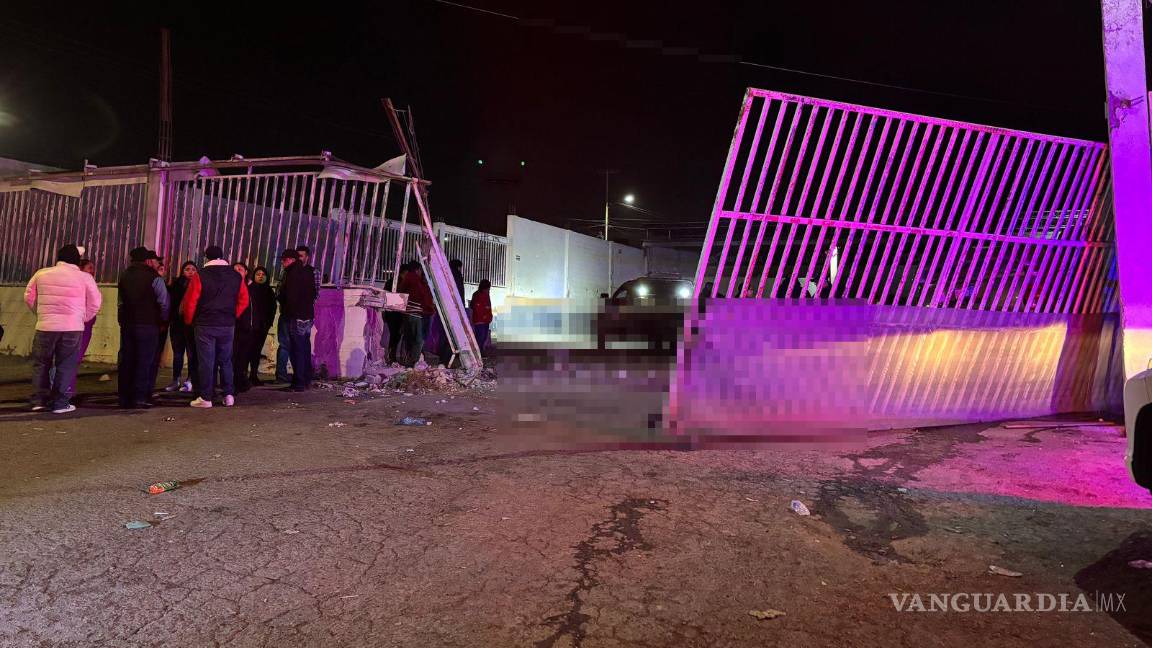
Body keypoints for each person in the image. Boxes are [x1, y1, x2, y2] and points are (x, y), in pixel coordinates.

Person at [24, 244, 102, 413]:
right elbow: (95, 303)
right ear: (76, 260)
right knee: (66, 365)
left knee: (41, 364)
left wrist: (41, 314)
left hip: (45, 326)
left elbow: (29, 296)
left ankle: (39, 401)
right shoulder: (85, 278)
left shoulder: (41, 273)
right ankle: (60, 403)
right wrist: (82, 318)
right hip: (73, 327)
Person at [182, 245, 248, 408]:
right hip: (227, 325)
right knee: (226, 360)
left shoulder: (200, 275)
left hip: (205, 324)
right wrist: (232, 316)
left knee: (206, 361)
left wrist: (190, 321)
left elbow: (191, 302)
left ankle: (206, 397)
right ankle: (228, 395)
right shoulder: (235, 276)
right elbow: (244, 300)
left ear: (206, 258)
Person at [116, 247, 169, 409]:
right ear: (147, 261)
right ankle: (140, 397)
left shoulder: (124, 276)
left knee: (127, 360)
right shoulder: (154, 277)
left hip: (128, 325)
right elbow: (164, 303)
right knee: (145, 361)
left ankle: (125, 397)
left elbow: (120, 303)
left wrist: (122, 320)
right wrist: (162, 322)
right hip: (148, 325)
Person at [276, 244, 318, 383]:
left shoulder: (292, 273)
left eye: (284, 260)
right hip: (306, 315)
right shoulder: (308, 272)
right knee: (303, 346)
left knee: (295, 348)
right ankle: (305, 378)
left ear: (291, 260)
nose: (282, 262)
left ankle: (299, 380)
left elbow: (289, 295)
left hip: (295, 315)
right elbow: (313, 294)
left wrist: (283, 301)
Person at [67, 258, 99, 395]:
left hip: (84, 324)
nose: (92, 271)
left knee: (74, 358)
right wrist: (87, 318)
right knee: (73, 358)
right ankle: (67, 388)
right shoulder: (83, 283)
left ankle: (67, 388)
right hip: (81, 324)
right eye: (89, 267)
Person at [165, 262, 198, 392]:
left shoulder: (199, 285)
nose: (190, 272)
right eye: (187, 269)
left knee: (191, 355)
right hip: (177, 325)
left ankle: (190, 380)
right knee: (178, 354)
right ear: (182, 271)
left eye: (193, 269)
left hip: (192, 326)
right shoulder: (176, 285)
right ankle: (176, 380)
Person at [396, 262, 434, 367]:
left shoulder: (407, 279)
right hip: (418, 313)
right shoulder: (417, 281)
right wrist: (430, 309)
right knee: (419, 339)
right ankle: (414, 362)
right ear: (417, 270)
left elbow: (401, 292)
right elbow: (424, 298)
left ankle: (410, 359)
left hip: (408, 312)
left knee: (411, 338)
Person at [246, 266, 277, 385]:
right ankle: (243, 375)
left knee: (257, 350)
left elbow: (272, 308)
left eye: (263, 274)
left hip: (262, 327)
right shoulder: (249, 289)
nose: (260, 276)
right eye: (258, 274)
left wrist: (269, 323)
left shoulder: (269, 291)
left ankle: (253, 375)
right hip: (250, 326)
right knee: (247, 350)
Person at [146, 261, 169, 397]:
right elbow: (164, 304)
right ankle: (147, 389)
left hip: (153, 324)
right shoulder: (157, 281)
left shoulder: (164, 284)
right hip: (155, 324)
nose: (161, 271)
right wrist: (163, 320)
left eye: (163, 269)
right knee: (151, 357)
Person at [231, 262, 253, 393]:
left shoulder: (251, 288)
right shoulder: (229, 287)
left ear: (246, 272)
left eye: (240, 269)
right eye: (235, 270)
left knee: (242, 357)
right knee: (233, 356)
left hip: (246, 327)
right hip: (233, 326)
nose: (238, 271)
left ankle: (241, 381)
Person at [384, 262, 411, 364]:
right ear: (404, 272)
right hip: (397, 313)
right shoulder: (399, 282)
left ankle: (392, 356)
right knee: (396, 336)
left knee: (394, 335)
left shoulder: (390, 281)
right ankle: (392, 357)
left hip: (391, 312)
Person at [470, 279, 493, 353]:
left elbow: (488, 306)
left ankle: (480, 351)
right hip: (479, 320)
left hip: (486, 320)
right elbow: (476, 308)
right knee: (480, 337)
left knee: (484, 337)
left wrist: (489, 316)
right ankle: (477, 352)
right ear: (484, 287)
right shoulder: (477, 295)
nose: (488, 289)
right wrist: (484, 316)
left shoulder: (486, 295)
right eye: (488, 288)